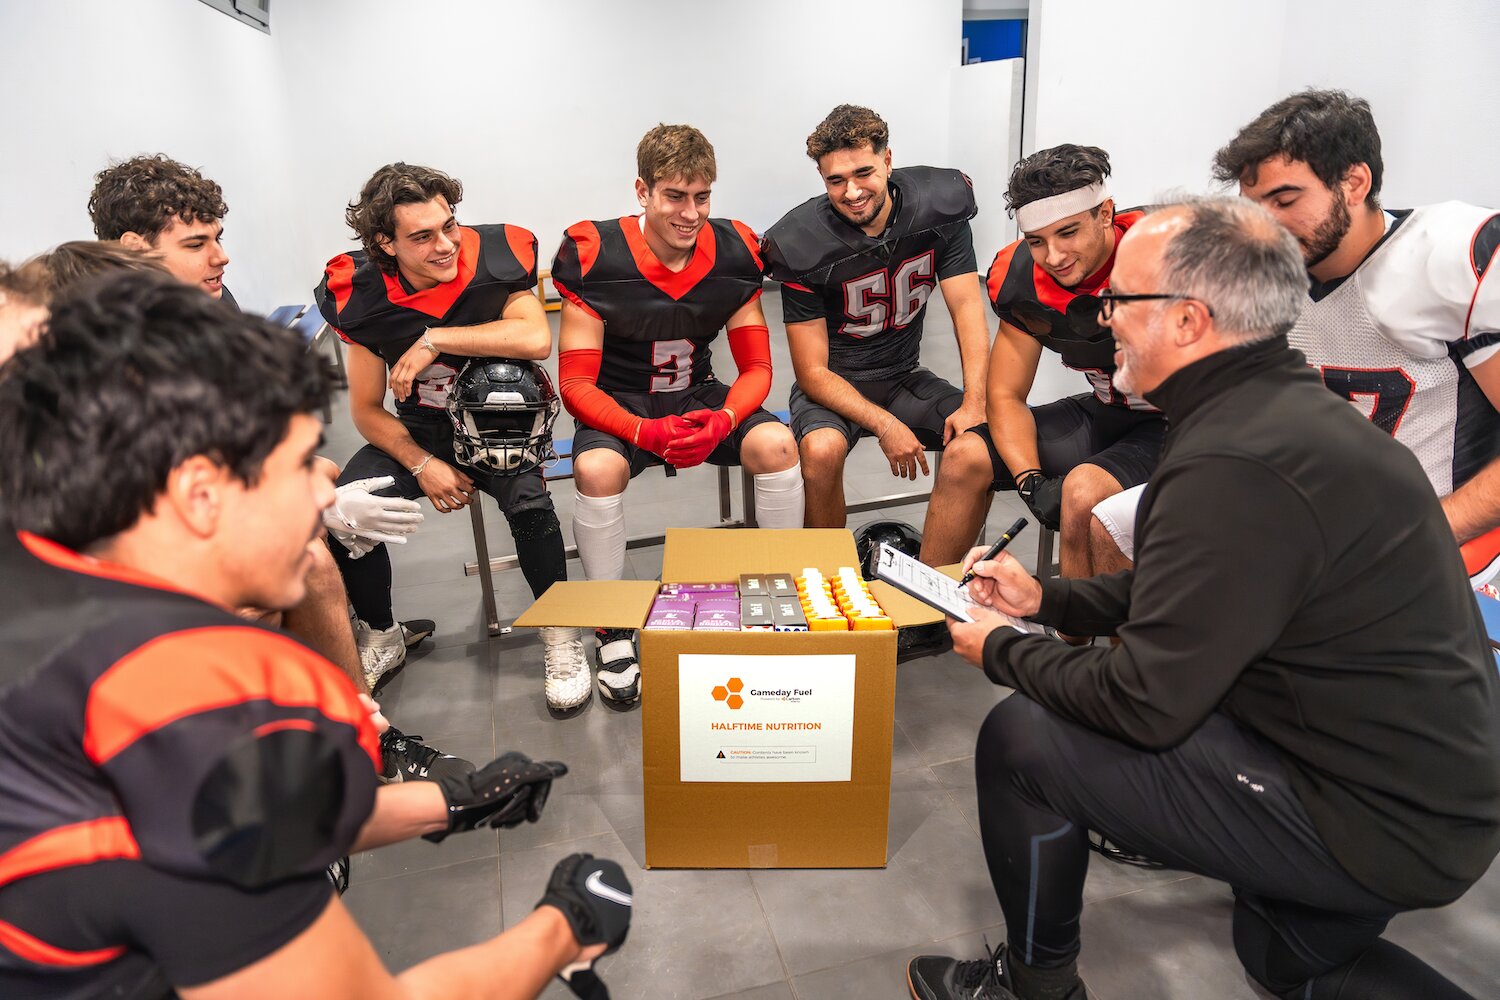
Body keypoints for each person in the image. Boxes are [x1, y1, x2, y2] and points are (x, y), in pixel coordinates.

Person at [906, 198, 1499, 1000]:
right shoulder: (1290, 416)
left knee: (1023, 740)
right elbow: (1205, 596)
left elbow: (1146, 702)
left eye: (1121, 300)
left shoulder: (1230, 460)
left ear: (1187, 320)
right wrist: (1046, 600)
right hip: (1437, 795)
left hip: (1375, 815)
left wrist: (999, 645)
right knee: (1279, 956)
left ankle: (1031, 990)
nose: (1104, 317)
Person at [0, 271, 631, 999]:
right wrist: (563, 924)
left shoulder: (48, 588)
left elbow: (184, 827)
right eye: (300, 463)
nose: (326, 493)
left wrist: (443, 803)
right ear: (200, 496)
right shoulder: (185, 700)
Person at [1091, 90, 1500, 586]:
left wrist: (1432, 526)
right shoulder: (1261, 268)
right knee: (1114, 524)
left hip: (1429, 518)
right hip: (1304, 498)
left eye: (1285, 200)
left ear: (1354, 181)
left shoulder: (1447, 254)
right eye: (1253, 207)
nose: (1268, 225)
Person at [87, 157, 436, 697]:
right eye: (196, 244)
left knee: (316, 496)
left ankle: (354, 708)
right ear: (134, 251)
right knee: (292, 566)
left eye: (218, 238)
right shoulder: (101, 349)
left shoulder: (208, 304)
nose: (221, 256)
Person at [316, 162, 585, 709]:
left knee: (531, 506)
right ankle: (381, 631)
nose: (446, 246)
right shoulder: (362, 295)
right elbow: (367, 409)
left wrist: (436, 338)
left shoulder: (494, 258)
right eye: (422, 236)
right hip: (421, 430)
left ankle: (561, 633)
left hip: (501, 420)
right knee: (348, 507)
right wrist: (420, 464)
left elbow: (536, 338)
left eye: (449, 225)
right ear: (383, 243)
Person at [553, 123, 803, 708]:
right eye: (674, 196)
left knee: (777, 447)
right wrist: (640, 431)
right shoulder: (596, 255)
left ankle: (776, 596)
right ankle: (612, 625)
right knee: (595, 472)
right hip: (621, 401)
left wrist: (722, 419)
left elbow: (757, 370)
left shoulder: (735, 252)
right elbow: (575, 383)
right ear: (642, 191)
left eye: (702, 197)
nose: (691, 213)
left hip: (697, 392)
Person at [918, 145, 1165, 577]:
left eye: (1068, 233)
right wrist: (1029, 481)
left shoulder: (1170, 254)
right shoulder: (1021, 279)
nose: (1053, 256)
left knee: (1082, 491)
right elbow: (1005, 394)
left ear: (1105, 213)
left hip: (1182, 420)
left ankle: (1072, 641)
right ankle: (923, 612)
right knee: (965, 457)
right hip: (1109, 408)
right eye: (1036, 240)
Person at [762, 105, 989, 529]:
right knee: (822, 449)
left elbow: (968, 310)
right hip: (834, 385)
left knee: (981, 440)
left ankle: (936, 582)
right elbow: (811, 373)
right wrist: (885, 425)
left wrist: (975, 402)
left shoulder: (941, 205)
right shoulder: (799, 241)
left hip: (904, 374)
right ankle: (826, 581)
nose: (851, 192)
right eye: (836, 180)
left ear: (887, 160)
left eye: (863, 173)